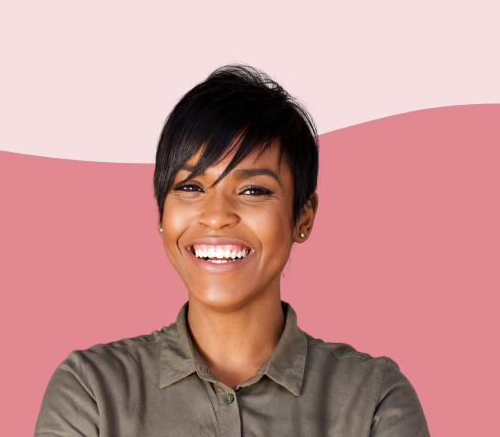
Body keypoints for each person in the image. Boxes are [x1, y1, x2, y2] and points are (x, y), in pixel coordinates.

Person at [34, 65, 430, 436]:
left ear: (303, 218)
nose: (216, 216)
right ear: (161, 214)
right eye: (190, 187)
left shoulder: (373, 398)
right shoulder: (91, 391)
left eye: (253, 190)